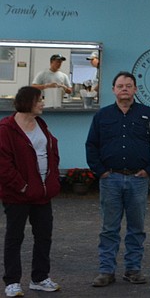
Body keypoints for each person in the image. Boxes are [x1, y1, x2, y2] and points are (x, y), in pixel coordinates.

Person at [85, 71, 150, 287]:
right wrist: (100, 171)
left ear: (135, 89)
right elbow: (91, 145)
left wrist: (149, 170)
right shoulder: (102, 116)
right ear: (113, 90)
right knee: (109, 228)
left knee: (136, 228)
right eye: (120, 86)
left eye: (129, 85)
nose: (125, 89)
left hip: (138, 180)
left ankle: (133, 269)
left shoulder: (148, 115)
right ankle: (106, 271)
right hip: (110, 179)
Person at [0, 87, 62, 296]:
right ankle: (12, 282)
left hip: (42, 194)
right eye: (39, 99)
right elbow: (3, 165)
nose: (43, 103)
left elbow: (51, 152)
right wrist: (23, 186)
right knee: (14, 237)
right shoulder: (6, 128)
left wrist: (52, 180)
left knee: (44, 236)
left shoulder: (41, 125)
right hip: (17, 195)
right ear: (27, 102)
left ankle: (40, 278)